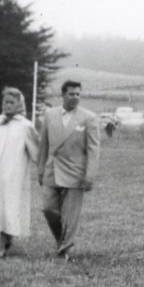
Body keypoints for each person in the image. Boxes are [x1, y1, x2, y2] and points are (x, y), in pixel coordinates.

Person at [37, 80, 100, 261]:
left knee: (70, 216)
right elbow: (43, 146)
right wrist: (40, 170)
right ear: (63, 95)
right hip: (51, 170)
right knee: (49, 209)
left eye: (78, 94)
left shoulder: (89, 117)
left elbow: (93, 149)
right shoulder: (50, 115)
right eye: (72, 94)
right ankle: (62, 241)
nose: (75, 97)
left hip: (76, 173)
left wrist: (90, 175)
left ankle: (66, 249)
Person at [0, 87, 39, 258]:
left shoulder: (26, 125)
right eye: (5, 102)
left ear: (19, 104)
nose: (7, 105)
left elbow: (36, 151)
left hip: (14, 175)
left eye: (12, 102)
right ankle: (5, 239)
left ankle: (2, 246)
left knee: (9, 207)